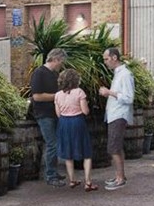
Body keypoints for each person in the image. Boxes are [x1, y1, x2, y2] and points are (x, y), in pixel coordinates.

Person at [54, 68, 97, 192]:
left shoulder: (57, 95)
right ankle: (88, 182)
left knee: (68, 153)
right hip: (77, 122)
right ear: (75, 80)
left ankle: (72, 180)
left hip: (63, 123)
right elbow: (85, 111)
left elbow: (58, 113)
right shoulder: (79, 92)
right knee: (86, 152)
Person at [30, 48, 68, 187]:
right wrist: (58, 96)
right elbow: (37, 96)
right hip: (44, 114)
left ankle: (53, 172)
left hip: (54, 113)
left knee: (55, 143)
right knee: (52, 143)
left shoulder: (54, 74)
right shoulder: (39, 73)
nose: (61, 65)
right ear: (56, 59)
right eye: (61, 62)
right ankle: (51, 175)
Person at [98, 47, 134, 190]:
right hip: (115, 114)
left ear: (114, 57)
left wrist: (109, 92)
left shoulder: (125, 74)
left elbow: (129, 98)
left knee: (113, 148)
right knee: (117, 147)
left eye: (106, 59)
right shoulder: (119, 73)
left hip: (119, 114)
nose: (105, 62)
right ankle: (120, 175)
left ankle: (120, 179)